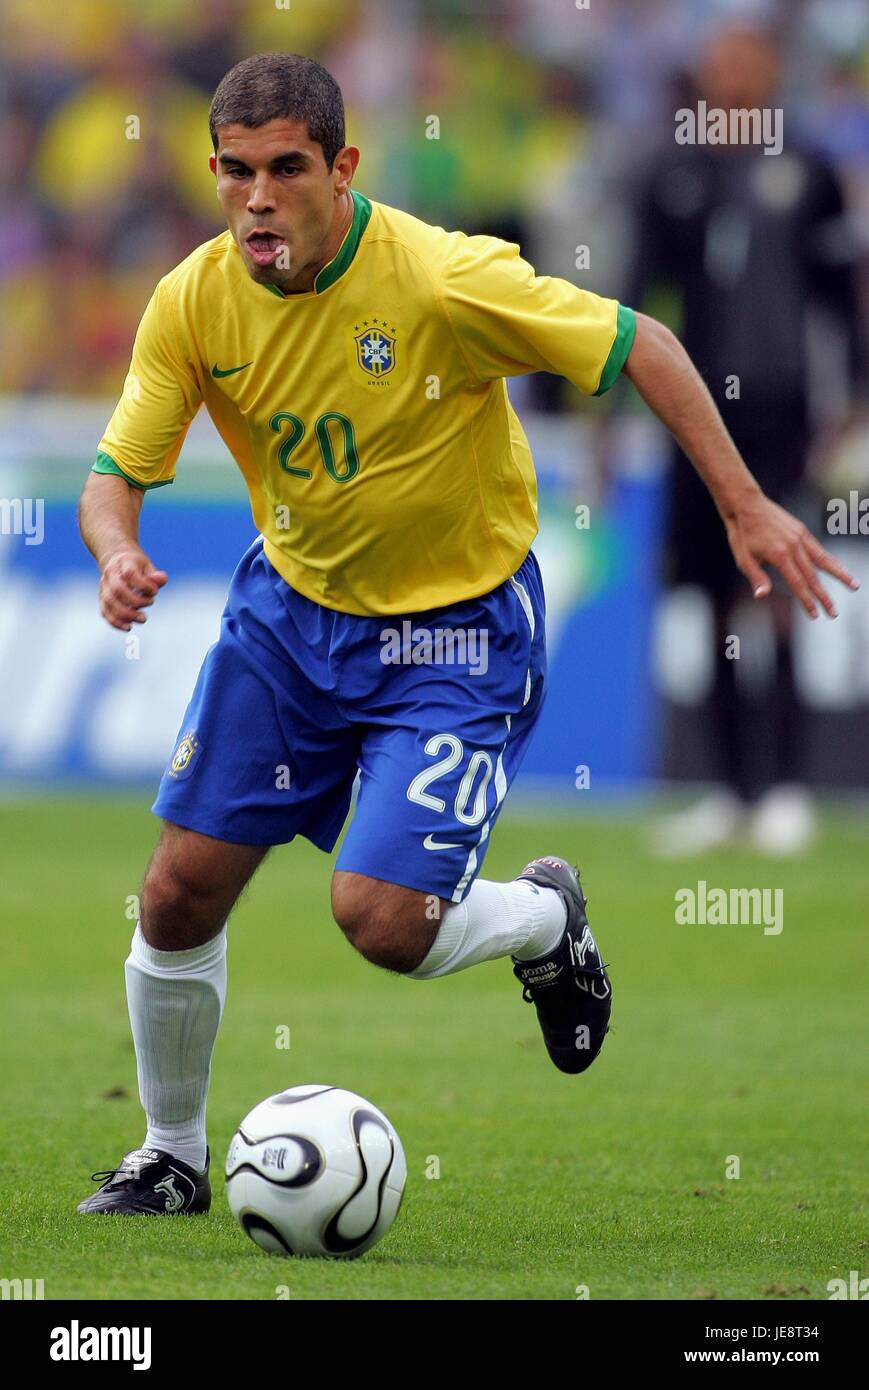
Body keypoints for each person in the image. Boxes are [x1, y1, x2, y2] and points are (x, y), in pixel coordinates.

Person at [76, 52, 857, 1215]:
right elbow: (111, 472)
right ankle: (171, 1155)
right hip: (290, 620)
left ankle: (546, 915)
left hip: (452, 636)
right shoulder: (194, 297)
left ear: (341, 169)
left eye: (286, 168)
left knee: (380, 923)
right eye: (235, 171)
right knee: (175, 893)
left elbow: (641, 340)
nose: (256, 198)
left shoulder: (443, 280)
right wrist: (116, 551)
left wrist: (745, 503)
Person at [630, 17, 865, 857]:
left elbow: (839, 295)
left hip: (778, 417)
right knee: (705, 597)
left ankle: (789, 788)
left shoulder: (803, 169)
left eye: (747, 56)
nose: (732, 71)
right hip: (690, 424)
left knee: (777, 600)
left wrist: (854, 399)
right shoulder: (672, 172)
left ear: (770, 70)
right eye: (720, 57)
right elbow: (636, 297)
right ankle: (727, 792)